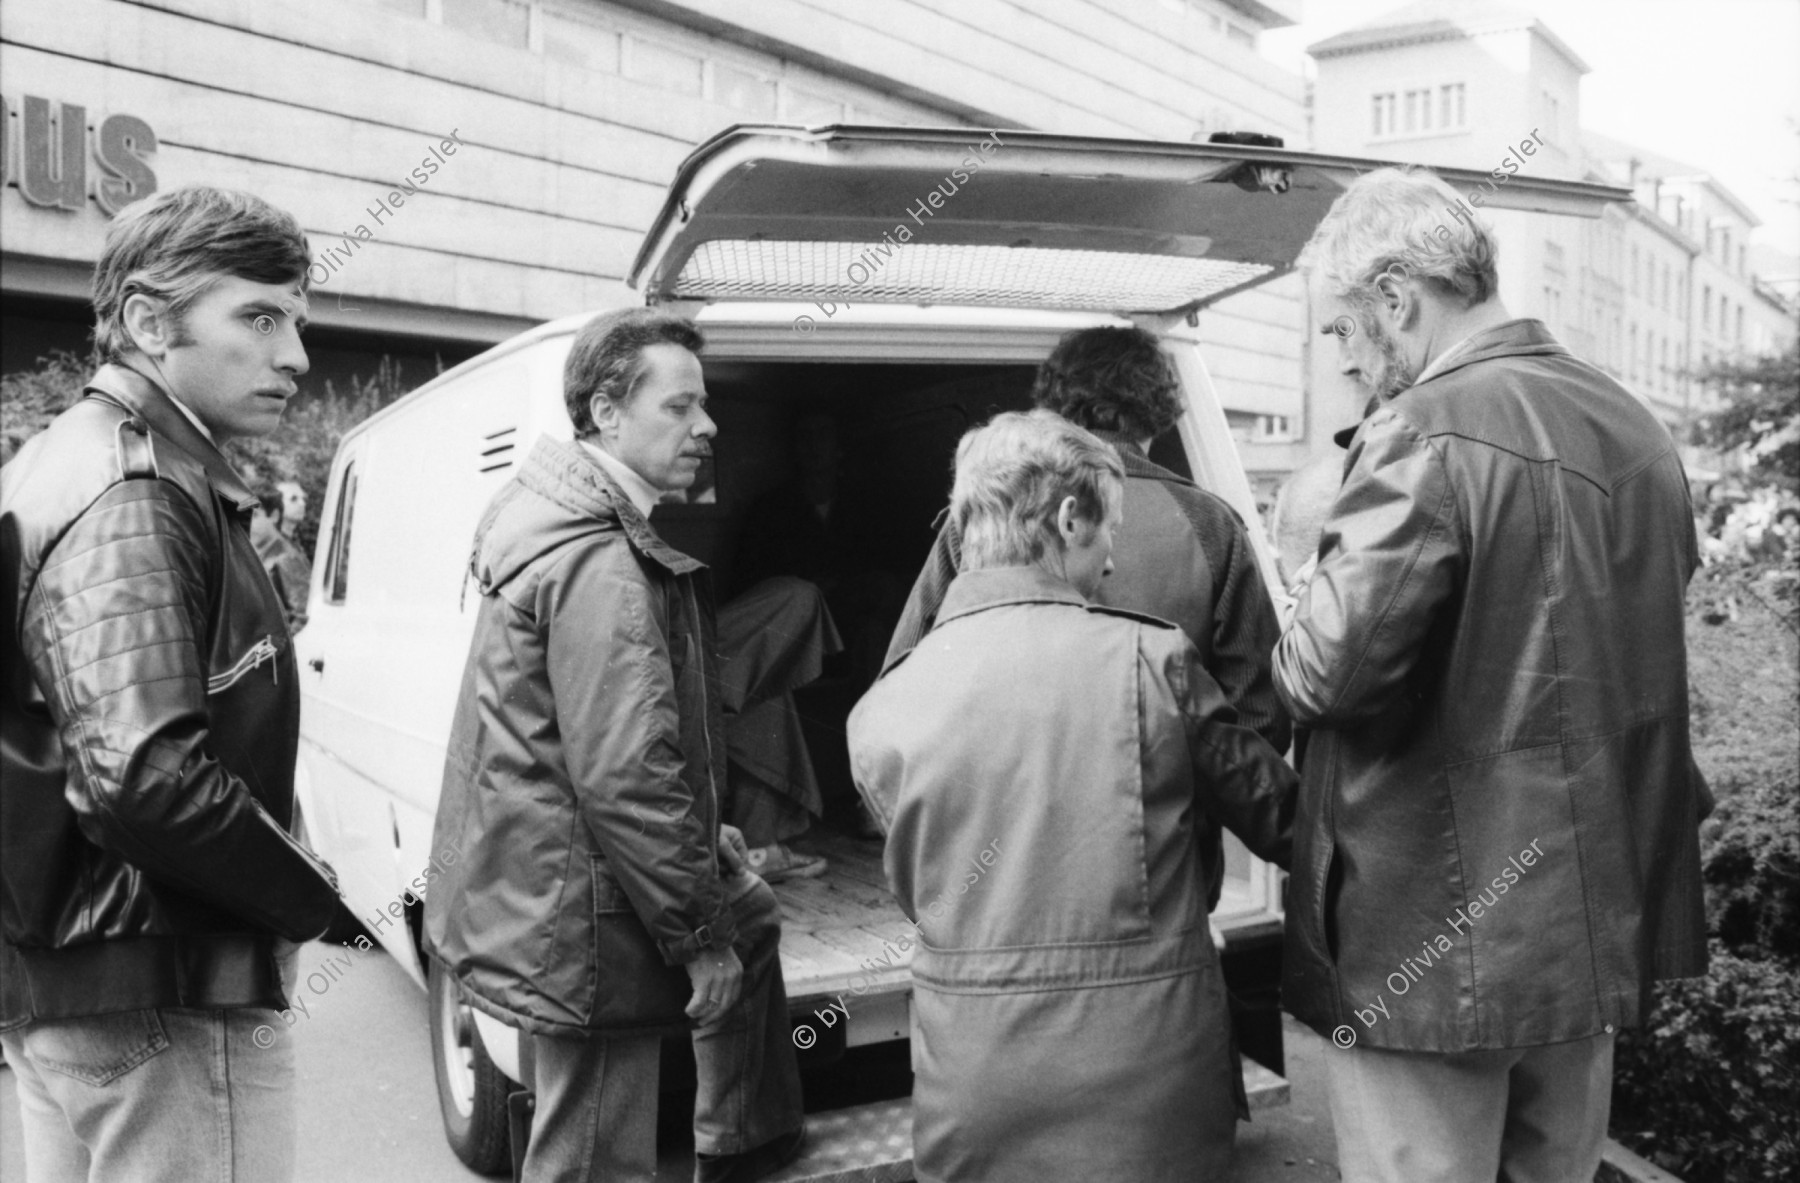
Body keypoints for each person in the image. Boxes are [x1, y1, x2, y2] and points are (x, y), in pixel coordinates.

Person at [1274, 166, 1711, 1183]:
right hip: (1589, 930)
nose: (1341, 360)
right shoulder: (1636, 429)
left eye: (1341, 328)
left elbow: (1325, 677)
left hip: (1430, 946)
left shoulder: (1419, 431)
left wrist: (1302, 584)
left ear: (1396, 298)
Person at [848, 410, 1298, 1183]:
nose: (1114, 560)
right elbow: (1280, 818)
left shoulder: (882, 707)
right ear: (1066, 518)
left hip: (973, 1079)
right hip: (1150, 1083)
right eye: (1108, 531)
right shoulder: (1155, 661)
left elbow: (920, 888)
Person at [0, 186, 346, 1182]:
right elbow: (147, 779)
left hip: (79, 987)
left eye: (299, 322)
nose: (296, 356)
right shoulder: (140, 487)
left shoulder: (63, 464)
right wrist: (307, 897)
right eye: (260, 315)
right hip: (164, 994)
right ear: (151, 323)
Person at [424, 308, 805, 1183]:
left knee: (752, 914)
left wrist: (708, 858)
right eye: (680, 407)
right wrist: (695, 932)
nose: (707, 427)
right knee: (596, 1154)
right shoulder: (599, 562)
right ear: (605, 412)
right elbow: (626, 776)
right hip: (585, 913)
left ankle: (743, 1140)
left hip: (564, 878)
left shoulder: (554, 518)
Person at [887, 324, 1291, 909]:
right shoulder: (1211, 524)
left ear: (1054, 407)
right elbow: (1259, 719)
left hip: (1001, 881)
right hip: (1163, 881)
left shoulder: (986, 517)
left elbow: (904, 679)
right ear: (1159, 413)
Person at [251, 481, 312, 630]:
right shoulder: (258, 551)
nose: (245, 523)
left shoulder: (285, 557)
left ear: (274, 516)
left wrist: (274, 651)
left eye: (254, 515)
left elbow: (303, 616)